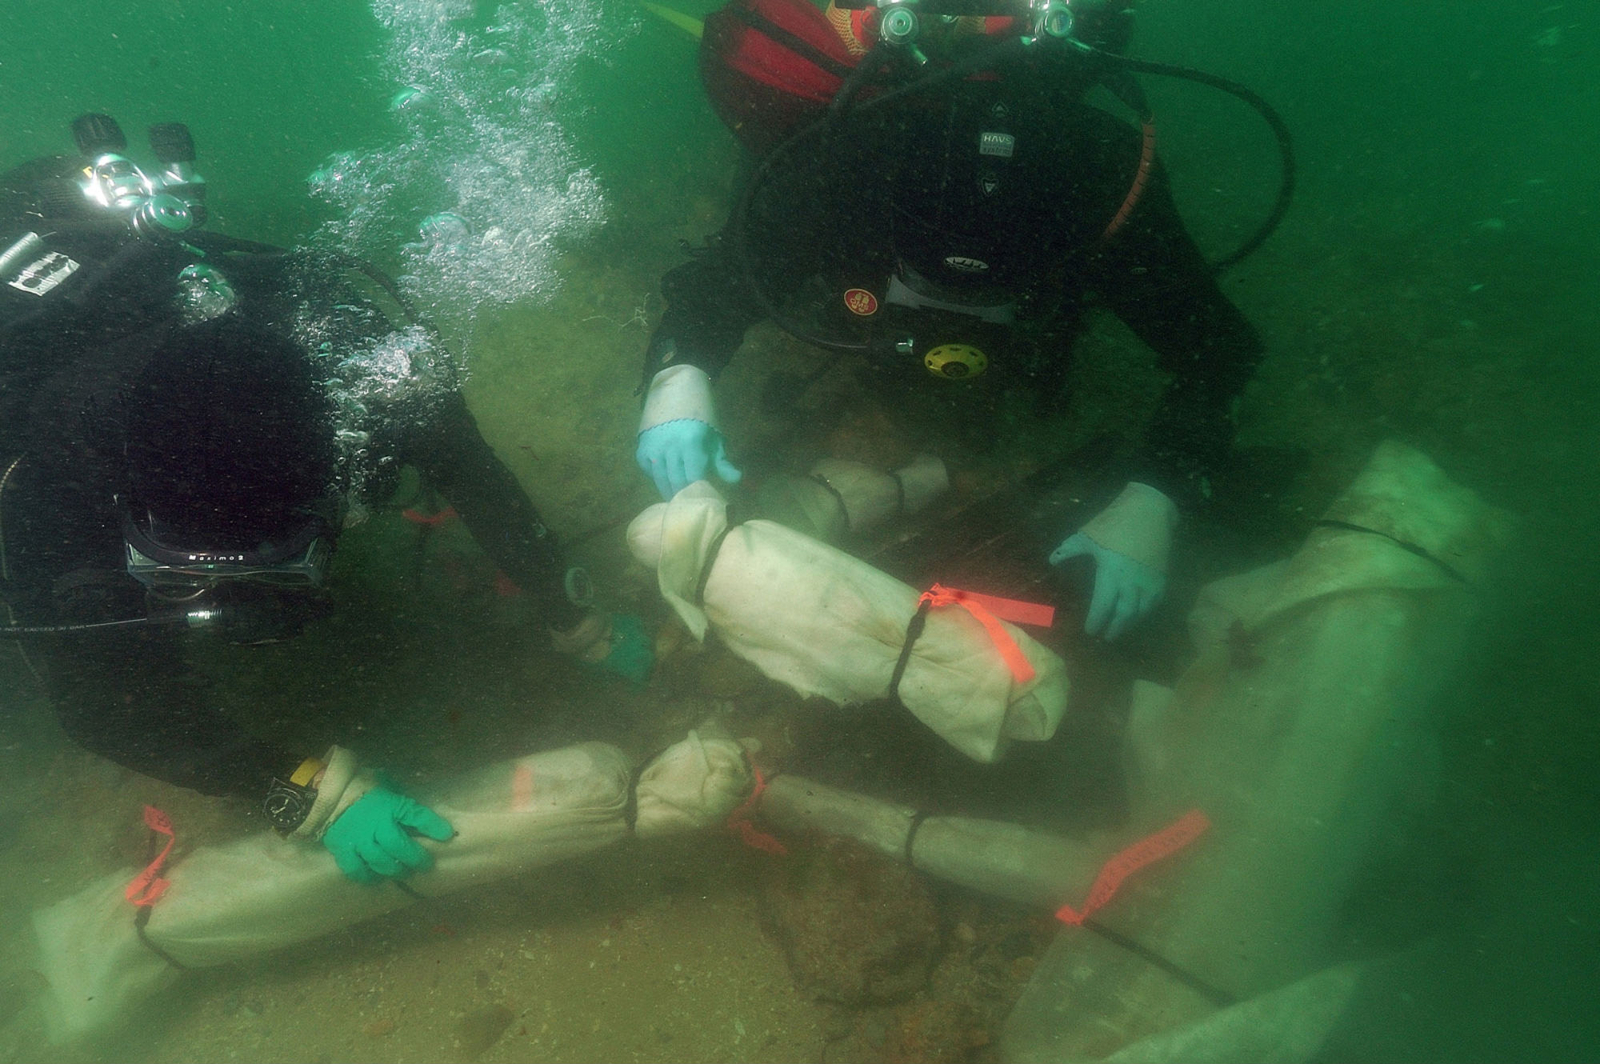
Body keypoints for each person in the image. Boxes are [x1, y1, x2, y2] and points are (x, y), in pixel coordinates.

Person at [0, 116, 650, 883]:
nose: (234, 605)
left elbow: (468, 464)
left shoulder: (354, 367)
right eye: (181, 579)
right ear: (131, 517)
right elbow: (98, 706)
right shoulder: (47, 489)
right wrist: (302, 791)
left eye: (281, 569)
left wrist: (571, 611)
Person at [634, 0, 1274, 642]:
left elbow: (1216, 351)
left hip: (1002, 331)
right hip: (865, 295)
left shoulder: (1096, 168)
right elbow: (722, 282)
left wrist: (1156, 494)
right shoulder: (849, 149)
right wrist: (680, 372)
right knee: (786, 250)